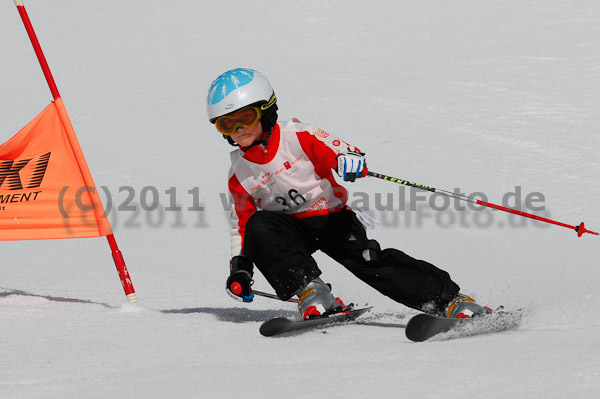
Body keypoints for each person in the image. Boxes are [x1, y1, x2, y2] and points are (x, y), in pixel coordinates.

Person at [207, 68, 491, 320]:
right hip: (289, 232)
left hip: (331, 219)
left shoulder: (297, 135)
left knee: (369, 262)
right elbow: (241, 226)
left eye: (245, 117)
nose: (239, 129)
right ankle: (312, 294)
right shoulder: (238, 172)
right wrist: (241, 268)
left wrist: (347, 159)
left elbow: (338, 149)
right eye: (227, 124)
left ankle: (449, 301)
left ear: (266, 110)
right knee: (260, 226)